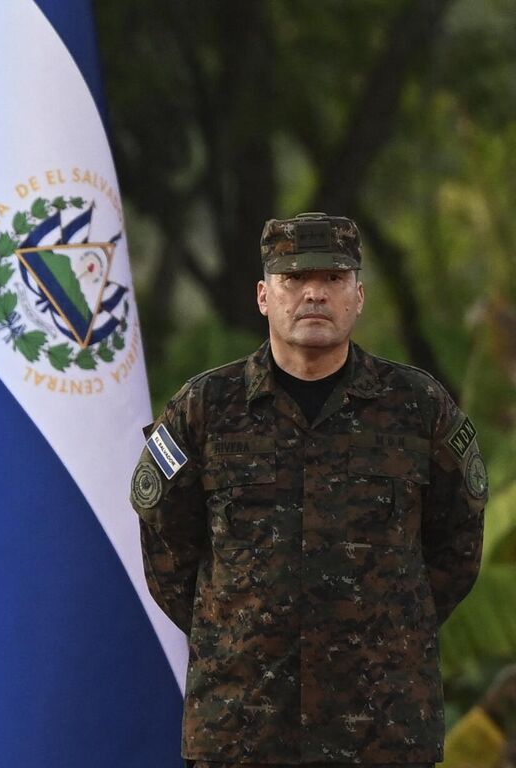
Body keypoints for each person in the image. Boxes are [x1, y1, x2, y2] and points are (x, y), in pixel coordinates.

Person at [131, 213, 486, 767]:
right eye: (294, 280)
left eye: (334, 279)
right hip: (244, 723)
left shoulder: (418, 407)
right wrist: (245, 623)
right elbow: (168, 553)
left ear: (358, 296)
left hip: (382, 723)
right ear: (263, 296)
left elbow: (457, 549)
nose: (314, 293)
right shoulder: (205, 409)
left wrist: (380, 624)